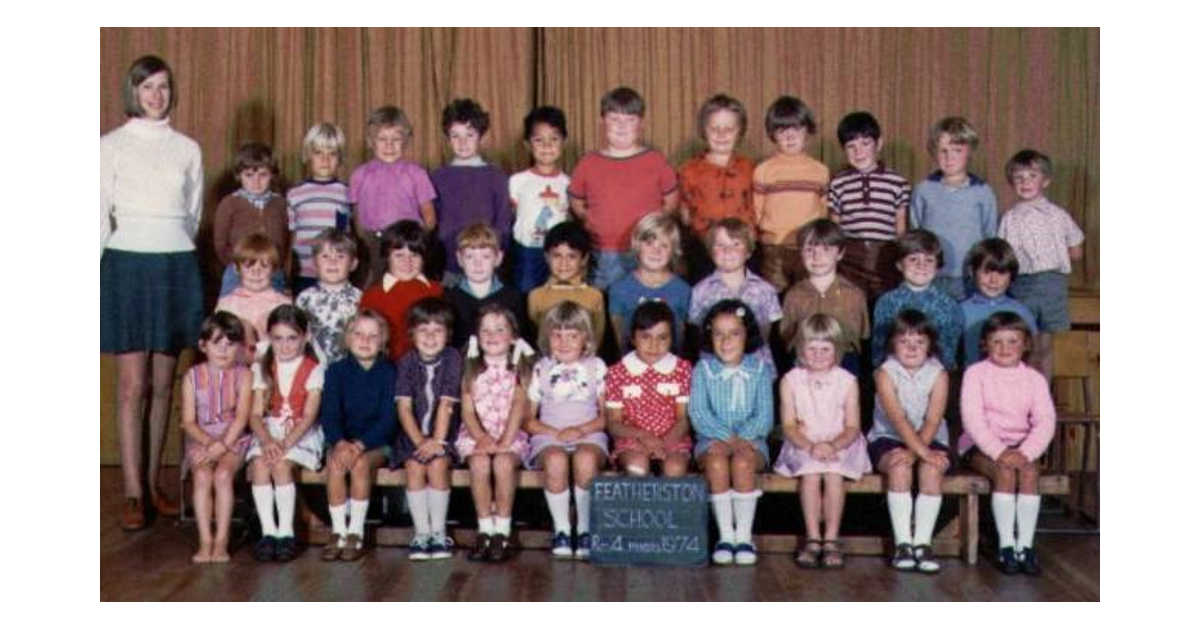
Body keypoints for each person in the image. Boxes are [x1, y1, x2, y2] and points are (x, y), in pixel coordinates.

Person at [101, 54, 204, 529]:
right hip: (125, 262)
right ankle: (131, 493)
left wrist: (174, 246)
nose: (156, 96)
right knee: (132, 386)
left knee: (165, 384)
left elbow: (193, 214)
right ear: (133, 93)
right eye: (147, 88)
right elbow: (97, 216)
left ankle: (155, 483)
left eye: (163, 87)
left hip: (174, 262)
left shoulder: (187, 148)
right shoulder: (109, 146)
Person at [959, 312, 1056, 576]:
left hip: (1022, 447)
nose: (1005, 348)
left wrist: (1026, 452)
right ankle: (1006, 546)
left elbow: (1045, 421)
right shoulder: (975, 374)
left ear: (1025, 345)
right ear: (985, 344)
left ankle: (1025, 545)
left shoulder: (1034, 379)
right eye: (997, 341)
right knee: (1004, 470)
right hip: (981, 446)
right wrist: (1000, 451)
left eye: (1013, 341)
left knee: (1028, 471)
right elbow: (973, 420)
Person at [775, 314, 871, 569]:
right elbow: (788, 426)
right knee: (811, 472)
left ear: (837, 350)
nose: (818, 354)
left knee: (833, 472)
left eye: (825, 349)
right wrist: (810, 446)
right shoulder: (790, 380)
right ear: (800, 348)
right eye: (812, 348)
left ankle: (831, 538)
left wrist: (833, 446)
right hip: (803, 441)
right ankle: (812, 538)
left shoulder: (847, 381)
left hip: (841, 442)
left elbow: (852, 427)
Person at [568, 86, 679, 290]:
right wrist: (591, 220)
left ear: (641, 124)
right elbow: (576, 200)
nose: (622, 126)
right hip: (604, 252)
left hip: (647, 251)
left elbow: (671, 201)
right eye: (614, 119)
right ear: (602, 121)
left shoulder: (655, 160)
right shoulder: (588, 162)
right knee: (608, 307)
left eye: (630, 119)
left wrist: (652, 229)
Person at [689, 300, 774, 566]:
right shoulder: (703, 370)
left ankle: (744, 537)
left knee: (743, 461)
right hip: (711, 441)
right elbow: (699, 413)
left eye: (734, 333)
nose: (726, 341)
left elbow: (764, 417)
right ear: (709, 336)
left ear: (747, 335)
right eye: (718, 334)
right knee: (716, 462)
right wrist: (726, 437)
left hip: (752, 442)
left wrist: (741, 440)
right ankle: (726, 536)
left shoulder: (759, 370)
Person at [523, 301, 608, 560]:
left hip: (589, 433)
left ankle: (583, 529)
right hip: (549, 435)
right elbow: (528, 419)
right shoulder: (541, 368)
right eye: (557, 335)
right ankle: (561, 529)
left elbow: (607, 417)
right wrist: (553, 433)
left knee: (584, 458)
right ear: (547, 337)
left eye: (573, 335)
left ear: (586, 338)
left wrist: (581, 430)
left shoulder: (597, 366)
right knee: (556, 459)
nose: (564, 342)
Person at [867, 310, 951, 573]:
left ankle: (923, 543)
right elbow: (899, 419)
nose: (912, 348)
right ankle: (903, 542)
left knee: (932, 469)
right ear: (892, 343)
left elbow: (933, 420)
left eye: (920, 342)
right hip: (888, 436)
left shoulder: (939, 374)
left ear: (930, 345)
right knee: (899, 467)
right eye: (904, 341)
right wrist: (916, 452)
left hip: (930, 438)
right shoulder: (884, 373)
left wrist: (920, 453)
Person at [455, 304, 534, 562]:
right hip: (477, 433)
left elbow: (518, 407)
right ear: (477, 335)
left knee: (502, 463)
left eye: (500, 329)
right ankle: (485, 529)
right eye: (485, 329)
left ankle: (502, 529)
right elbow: (467, 412)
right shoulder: (471, 367)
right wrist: (482, 438)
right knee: (478, 464)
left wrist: (505, 442)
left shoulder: (519, 368)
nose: (492, 335)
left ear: (513, 336)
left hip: (511, 434)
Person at [245, 305, 325, 563]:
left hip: (301, 433)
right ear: (269, 338)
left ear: (305, 337)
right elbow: (255, 414)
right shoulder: (262, 368)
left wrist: (285, 443)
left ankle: (286, 533)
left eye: (292, 338)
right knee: (259, 465)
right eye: (278, 338)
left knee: (280, 466)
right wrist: (267, 441)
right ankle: (269, 533)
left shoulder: (314, 368)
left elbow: (310, 415)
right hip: (270, 431)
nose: (285, 345)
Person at [998, 149, 1085, 378]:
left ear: (1045, 181)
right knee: (1022, 343)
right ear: (1011, 182)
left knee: (1044, 345)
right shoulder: (1009, 218)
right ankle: (1020, 398)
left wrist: (1053, 255)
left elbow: (1076, 249)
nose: (1025, 182)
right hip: (1022, 285)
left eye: (1032, 176)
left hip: (1051, 284)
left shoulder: (1058, 215)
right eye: (1019, 177)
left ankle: (1042, 398)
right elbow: (1003, 256)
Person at [318, 310, 398, 562]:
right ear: (348, 338)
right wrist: (341, 443)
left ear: (383, 341)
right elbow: (329, 415)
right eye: (359, 334)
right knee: (336, 463)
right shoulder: (336, 371)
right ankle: (338, 530)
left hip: (376, 443)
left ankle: (356, 531)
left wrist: (360, 445)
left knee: (361, 464)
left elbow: (389, 419)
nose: (365, 340)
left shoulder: (388, 372)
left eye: (373, 336)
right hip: (343, 440)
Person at [180, 312, 253, 563]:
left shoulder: (244, 375)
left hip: (233, 439)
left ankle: (221, 539)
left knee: (222, 475)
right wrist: (210, 444)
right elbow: (188, 422)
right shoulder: (192, 377)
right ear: (203, 345)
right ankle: (205, 540)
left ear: (239, 347)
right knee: (202, 475)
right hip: (202, 440)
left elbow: (242, 418)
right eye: (216, 344)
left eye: (230, 344)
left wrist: (222, 445)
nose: (223, 351)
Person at [394, 298, 463, 561]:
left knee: (436, 466)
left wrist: (436, 441)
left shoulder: (453, 358)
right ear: (412, 333)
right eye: (424, 330)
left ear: (448, 334)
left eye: (438, 330)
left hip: (445, 434)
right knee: (414, 467)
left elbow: (446, 404)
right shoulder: (406, 362)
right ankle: (421, 533)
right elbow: (404, 408)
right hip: (413, 435)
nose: (431, 337)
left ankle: (438, 532)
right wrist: (420, 441)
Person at [909, 116, 998, 300]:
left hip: (969, 276)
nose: (949, 157)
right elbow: (916, 231)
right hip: (931, 275)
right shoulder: (923, 189)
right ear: (934, 152)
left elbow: (990, 235)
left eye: (957, 150)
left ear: (970, 151)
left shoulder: (983, 191)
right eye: (943, 151)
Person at [349, 105, 437, 285]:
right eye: (382, 139)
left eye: (396, 139)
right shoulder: (359, 174)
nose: (389, 145)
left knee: (409, 288)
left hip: (405, 244)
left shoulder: (416, 173)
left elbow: (429, 217)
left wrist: (414, 240)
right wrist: (364, 241)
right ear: (371, 141)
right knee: (375, 289)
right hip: (372, 243)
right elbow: (356, 214)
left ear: (405, 141)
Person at [828, 111, 910, 302]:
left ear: (878, 144)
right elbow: (835, 226)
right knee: (852, 302)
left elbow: (900, 225)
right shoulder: (838, 183)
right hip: (851, 255)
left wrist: (899, 255)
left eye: (865, 144)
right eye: (851, 146)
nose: (859, 152)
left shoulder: (897, 182)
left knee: (885, 302)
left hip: (885, 254)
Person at [605, 301, 693, 478]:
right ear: (632, 338)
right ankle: (638, 507)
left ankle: (670, 507)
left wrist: (664, 444)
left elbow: (683, 419)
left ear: (672, 339)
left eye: (662, 337)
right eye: (646, 337)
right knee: (637, 466)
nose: (654, 345)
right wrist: (643, 436)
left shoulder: (682, 369)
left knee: (674, 468)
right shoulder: (618, 372)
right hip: (632, 440)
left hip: (672, 440)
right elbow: (613, 423)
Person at [753, 95, 830, 292]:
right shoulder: (764, 170)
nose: (789, 136)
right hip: (774, 249)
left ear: (808, 131)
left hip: (809, 249)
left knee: (806, 296)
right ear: (772, 135)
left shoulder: (820, 171)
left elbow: (823, 212)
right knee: (774, 300)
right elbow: (757, 212)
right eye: (781, 130)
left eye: (796, 128)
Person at [432, 98, 512, 286]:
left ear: (481, 136)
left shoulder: (496, 176)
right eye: (455, 136)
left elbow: (503, 223)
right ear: (447, 138)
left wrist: (492, 256)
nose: (462, 143)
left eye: (470, 135)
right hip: (450, 265)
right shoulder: (437, 177)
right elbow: (432, 223)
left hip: (487, 265)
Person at [677, 94, 755, 280]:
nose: (721, 135)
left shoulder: (750, 168)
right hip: (703, 251)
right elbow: (685, 215)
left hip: (742, 251)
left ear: (740, 131)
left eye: (729, 129)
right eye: (714, 129)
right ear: (704, 130)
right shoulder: (689, 170)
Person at [688, 218, 781, 372]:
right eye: (720, 245)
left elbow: (767, 332)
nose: (727, 251)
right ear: (711, 251)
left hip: (756, 369)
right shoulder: (700, 291)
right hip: (715, 370)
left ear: (749, 251)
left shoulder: (765, 290)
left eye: (736, 244)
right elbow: (699, 332)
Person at [779, 219, 870, 374]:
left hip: (844, 364)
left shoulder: (855, 295)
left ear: (840, 253)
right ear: (799, 252)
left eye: (826, 249)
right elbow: (787, 337)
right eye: (809, 250)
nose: (817, 257)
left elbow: (862, 338)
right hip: (804, 365)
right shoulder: (793, 295)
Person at [871, 230, 964, 370]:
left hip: (935, 378)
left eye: (929, 260)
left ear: (938, 266)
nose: (922, 265)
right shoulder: (886, 302)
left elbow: (949, 351)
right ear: (899, 265)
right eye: (913, 259)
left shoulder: (949, 305)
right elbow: (879, 349)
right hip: (894, 376)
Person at [607, 211, 691, 354]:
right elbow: (620, 339)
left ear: (673, 251)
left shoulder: (683, 290)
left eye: (664, 245)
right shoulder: (619, 290)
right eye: (649, 243)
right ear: (637, 245)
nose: (656, 251)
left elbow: (681, 338)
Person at [213, 142, 289, 296]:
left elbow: (286, 239)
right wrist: (236, 264)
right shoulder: (230, 204)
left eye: (263, 175)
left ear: (272, 175)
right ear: (239, 175)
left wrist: (278, 265)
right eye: (249, 175)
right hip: (238, 274)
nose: (256, 182)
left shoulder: (280, 203)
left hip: (273, 273)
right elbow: (220, 242)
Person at [360, 221, 442, 361]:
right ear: (387, 257)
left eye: (414, 255)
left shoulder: (436, 291)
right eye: (399, 255)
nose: (407, 262)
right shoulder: (372, 295)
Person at [510, 106, 572, 293]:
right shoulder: (518, 181)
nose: (547, 146)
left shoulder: (568, 183)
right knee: (526, 295)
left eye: (554, 139)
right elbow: (513, 216)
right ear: (528, 144)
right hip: (527, 252)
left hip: (559, 255)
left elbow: (569, 218)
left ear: (563, 142)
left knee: (556, 296)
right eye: (539, 140)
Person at [444, 223, 530, 349]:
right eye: (469, 256)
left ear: (498, 258)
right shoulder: (449, 298)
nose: (477, 264)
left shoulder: (513, 297)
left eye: (485, 256)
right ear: (459, 258)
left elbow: (521, 341)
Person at [288, 123, 352, 294]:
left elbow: (349, 235)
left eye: (332, 154)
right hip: (303, 272)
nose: (325, 160)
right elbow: (292, 236)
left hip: (336, 272)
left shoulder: (347, 193)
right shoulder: (295, 194)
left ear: (340, 158)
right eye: (318, 153)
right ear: (308, 156)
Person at [960, 238, 1037, 367]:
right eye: (987, 272)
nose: (993, 280)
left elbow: (1033, 353)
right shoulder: (961, 310)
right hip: (973, 381)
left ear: (1011, 275)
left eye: (1001, 273)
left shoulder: (1021, 311)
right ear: (973, 272)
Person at [527, 221, 606, 344]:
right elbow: (537, 334)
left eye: (572, 256)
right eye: (557, 256)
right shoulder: (536, 296)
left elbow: (597, 337)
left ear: (584, 259)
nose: (564, 263)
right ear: (547, 257)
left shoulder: (594, 296)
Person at [215, 234, 292, 358]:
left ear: (274, 270)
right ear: (237, 269)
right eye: (248, 267)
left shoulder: (283, 304)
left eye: (264, 266)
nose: (256, 273)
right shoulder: (226, 304)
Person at [295, 229, 362, 364]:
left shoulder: (361, 299)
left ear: (353, 264)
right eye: (325, 256)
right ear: (314, 263)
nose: (333, 262)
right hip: (313, 368)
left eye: (340, 256)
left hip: (348, 367)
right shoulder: (304, 299)